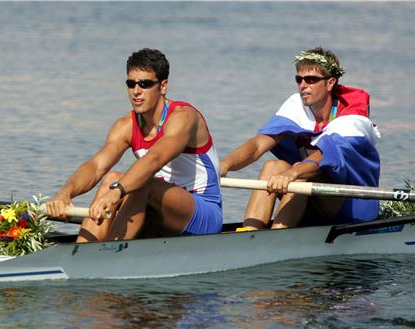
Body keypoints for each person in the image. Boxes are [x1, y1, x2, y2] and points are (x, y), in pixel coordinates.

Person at [47, 48, 222, 242]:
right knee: (111, 178)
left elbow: (155, 159)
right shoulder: (125, 126)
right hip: (156, 207)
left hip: (203, 213)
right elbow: (96, 166)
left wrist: (117, 192)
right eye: (131, 84)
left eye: (145, 84)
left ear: (163, 86)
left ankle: (110, 254)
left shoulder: (184, 117)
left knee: (138, 182)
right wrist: (64, 193)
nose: (136, 91)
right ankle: (83, 250)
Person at [220, 47, 381, 230]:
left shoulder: (352, 116)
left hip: (353, 207)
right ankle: (249, 233)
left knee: (300, 174)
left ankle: (278, 238)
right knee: (273, 166)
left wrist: (292, 173)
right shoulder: (297, 105)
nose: (303, 85)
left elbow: (322, 156)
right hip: (310, 199)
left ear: (330, 83)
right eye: (299, 79)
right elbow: (258, 145)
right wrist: (225, 164)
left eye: (311, 80)